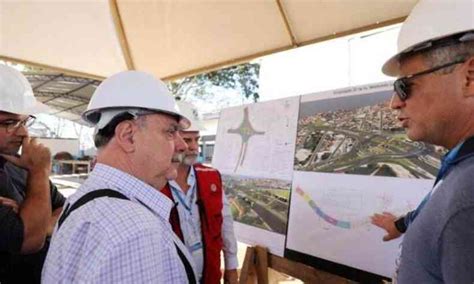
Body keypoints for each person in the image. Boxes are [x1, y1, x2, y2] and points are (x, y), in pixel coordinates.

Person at [42, 71, 198, 283]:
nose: (181, 145)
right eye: (170, 132)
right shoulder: (135, 230)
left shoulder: (88, 201)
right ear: (128, 136)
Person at [371, 0, 474, 282]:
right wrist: (403, 224)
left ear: (470, 77)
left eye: (405, 85)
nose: (394, 103)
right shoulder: (462, 164)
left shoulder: (469, 198)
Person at [0, 65, 65, 283]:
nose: (23, 132)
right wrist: (39, 172)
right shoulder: (33, 168)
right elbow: (28, 240)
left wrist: (41, 223)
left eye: (24, 121)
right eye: (9, 123)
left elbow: (65, 210)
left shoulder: (20, 165)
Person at [161, 102, 238, 284]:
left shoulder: (211, 176)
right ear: (173, 139)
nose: (194, 147)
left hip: (209, 275)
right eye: (188, 140)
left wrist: (231, 266)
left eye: (197, 139)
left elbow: (225, 222)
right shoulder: (155, 181)